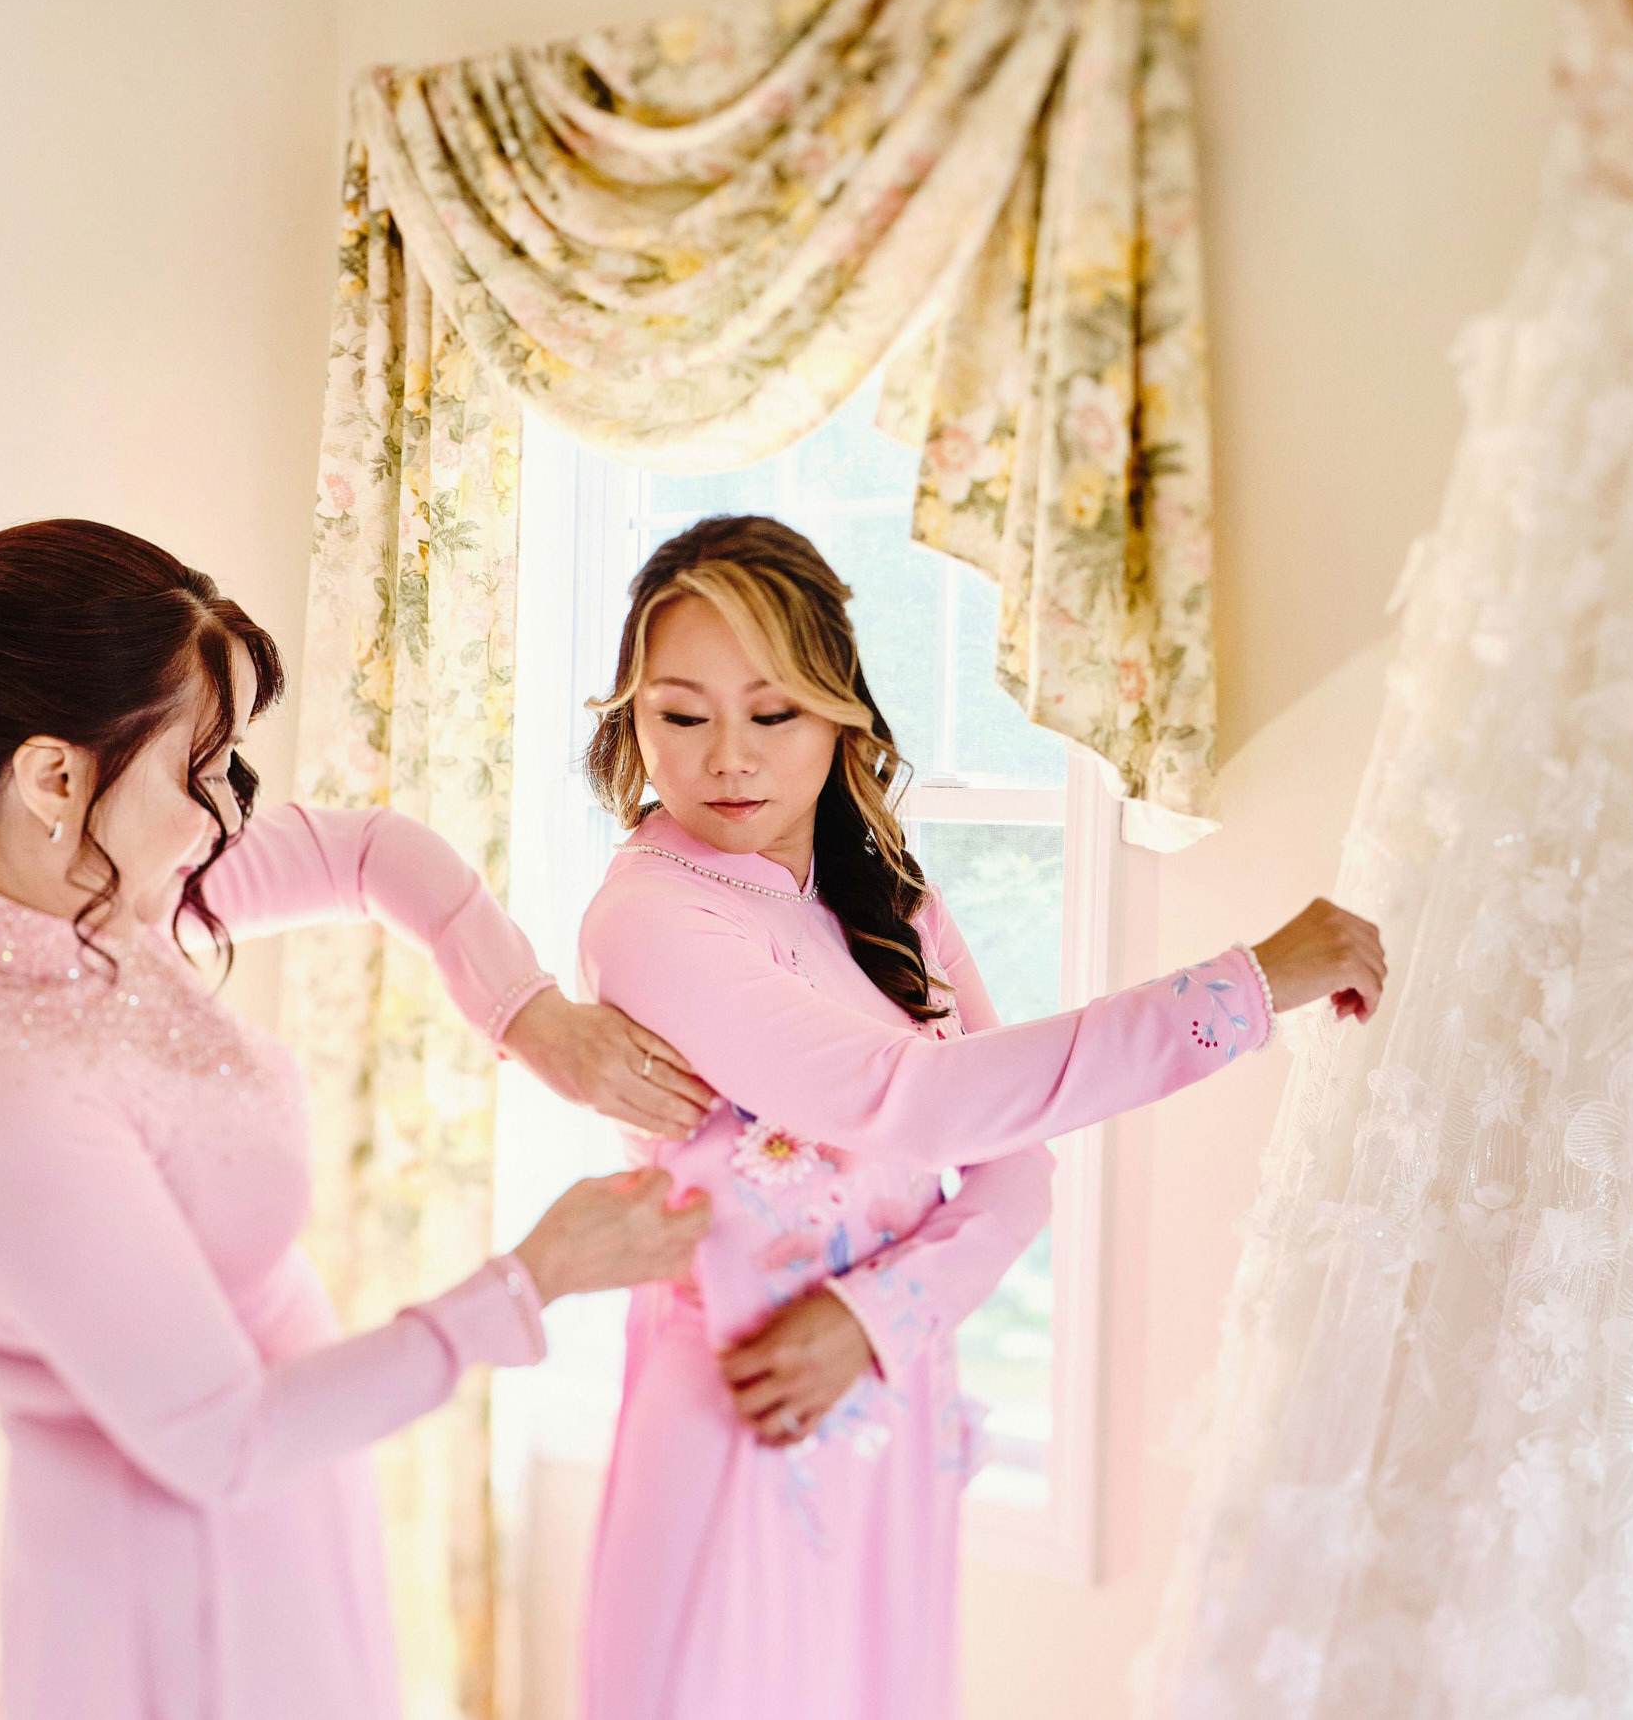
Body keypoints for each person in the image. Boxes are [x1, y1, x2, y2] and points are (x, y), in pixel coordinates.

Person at [0, 519, 715, 1720]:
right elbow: (223, 1440)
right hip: (180, 1587)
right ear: (53, 775)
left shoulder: (89, 888)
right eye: (203, 766)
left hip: (288, 1514)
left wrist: (531, 1015)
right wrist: (535, 1278)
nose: (225, 816)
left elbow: (369, 853)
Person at [570, 516, 1385, 1719]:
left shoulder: (891, 902)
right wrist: (1243, 986)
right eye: (679, 716)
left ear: (842, 711)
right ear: (631, 724)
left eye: (773, 712)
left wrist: (875, 1317)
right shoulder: (649, 916)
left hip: (886, 1403)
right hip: (747, 1415)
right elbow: (920, 1103)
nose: (724, 758)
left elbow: (1014, 1173)